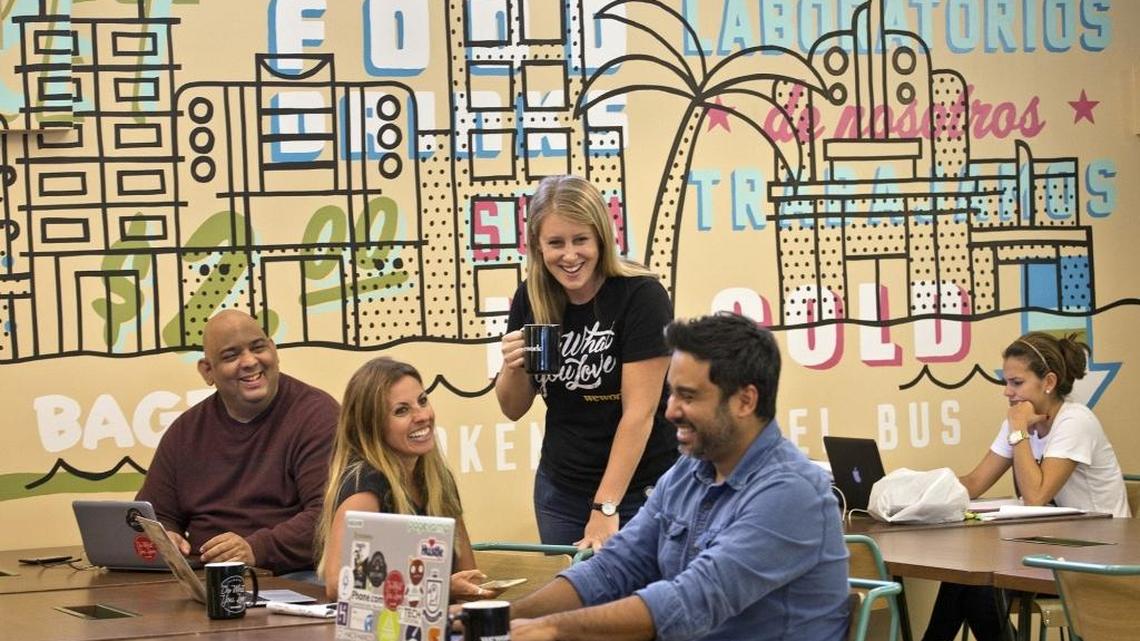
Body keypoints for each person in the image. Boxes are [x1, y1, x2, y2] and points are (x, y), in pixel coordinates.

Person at [509, 312, 850, 641]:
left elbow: (689, 602)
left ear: (745, 401)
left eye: (688, 396)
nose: (670, 411)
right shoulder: (689, 470)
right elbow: (613, 568)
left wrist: (550, 629)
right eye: (670, 393)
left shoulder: (792, 493)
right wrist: (503, 618)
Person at [495, 174, 677, 550]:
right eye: (556, 243)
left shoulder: (641, 295)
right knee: (570, 588)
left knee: (641, 589)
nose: (570, 255)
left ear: (601, 239)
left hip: (641, 488)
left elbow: (639, 415)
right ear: (537, 245)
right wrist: (513, 366)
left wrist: (605, 506)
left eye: (581, 240)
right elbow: (512, 408)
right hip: (561, 491)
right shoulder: (532, 297)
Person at [921, 331, 1130, 641]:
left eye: (1016, 383)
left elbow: (1035, 496)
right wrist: (919, 494)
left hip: (1099, 556)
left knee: (980, 592)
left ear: (1049, 382)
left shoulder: (1075, 421)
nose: (1007, 392)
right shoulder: (1019, 422)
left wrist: (1018, 430)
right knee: (964, 577)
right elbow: (975, 482)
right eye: (1006, 382)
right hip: (1057, 548)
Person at [137, 309, 339, 575]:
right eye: (231, 356)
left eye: (258, 347)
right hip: (205, 575)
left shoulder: (318, 415)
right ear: (207, 371)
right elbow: (154, 517)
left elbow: (329, 516)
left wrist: (256, 549)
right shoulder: (186, 431)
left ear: (274, 351)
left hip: (290, 575)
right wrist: (166, 538)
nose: (250, 361)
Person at [314, 357, 500, 602]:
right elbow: (339, 584)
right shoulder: (365, 486)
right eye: (402, 410)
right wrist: (441, 588)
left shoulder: (438, 479)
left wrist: (476, 592)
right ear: (372, 426)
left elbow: (467, 575)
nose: (422, 416)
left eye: (422, 401)